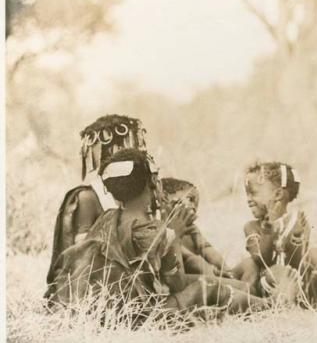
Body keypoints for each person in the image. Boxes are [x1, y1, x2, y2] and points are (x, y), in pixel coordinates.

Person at [48, 149, 270, 321]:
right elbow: (178, 284)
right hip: (143, 315)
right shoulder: (154, 231)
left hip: (116, 308)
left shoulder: (107, 219)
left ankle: (255, 296)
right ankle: (269, 309)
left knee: (216, 282)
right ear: (153, 183)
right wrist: (173, 235)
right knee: (208, 289)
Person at [45, 114, 151, 298]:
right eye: (128, 144)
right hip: (96, 287)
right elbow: (81, 258)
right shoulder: (87, 197)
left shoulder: (138, 196)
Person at [232, 161, 317, 308]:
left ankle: (312, 305)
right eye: (247, 194)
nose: (249, 199)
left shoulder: (298, 222)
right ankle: (275, 305)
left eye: (254, 193)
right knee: (277, 271)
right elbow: (261, 261)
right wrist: (268, 228)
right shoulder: (251, 227)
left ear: (277, 194)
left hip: (296, 283)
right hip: (268, 283)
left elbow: (297, 263)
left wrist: (296, 238)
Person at [161, 178, 233, 278]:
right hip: (180, 275)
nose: (194, 206)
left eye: (196, 204)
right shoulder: (164, 227)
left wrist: (224, 267)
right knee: (196, 261)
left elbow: (207, 249)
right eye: (190, 199)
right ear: (166, 198)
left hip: (205, 272)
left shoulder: (192, 228)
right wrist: (207, 266)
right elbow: (183, 253)